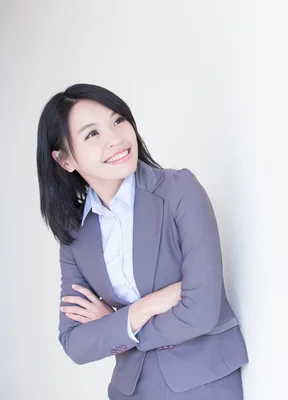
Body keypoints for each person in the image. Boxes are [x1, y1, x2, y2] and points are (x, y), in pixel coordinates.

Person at [36, 83, 249, 399]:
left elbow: (202, 311)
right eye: (92, 134)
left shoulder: (179, 191)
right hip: (130, 388)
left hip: (203, 382)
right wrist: (143, 309)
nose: (115, 138)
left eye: (118, 120)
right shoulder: (75, 236)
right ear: (65, 160)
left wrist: (117, 325)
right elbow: (75, 343)